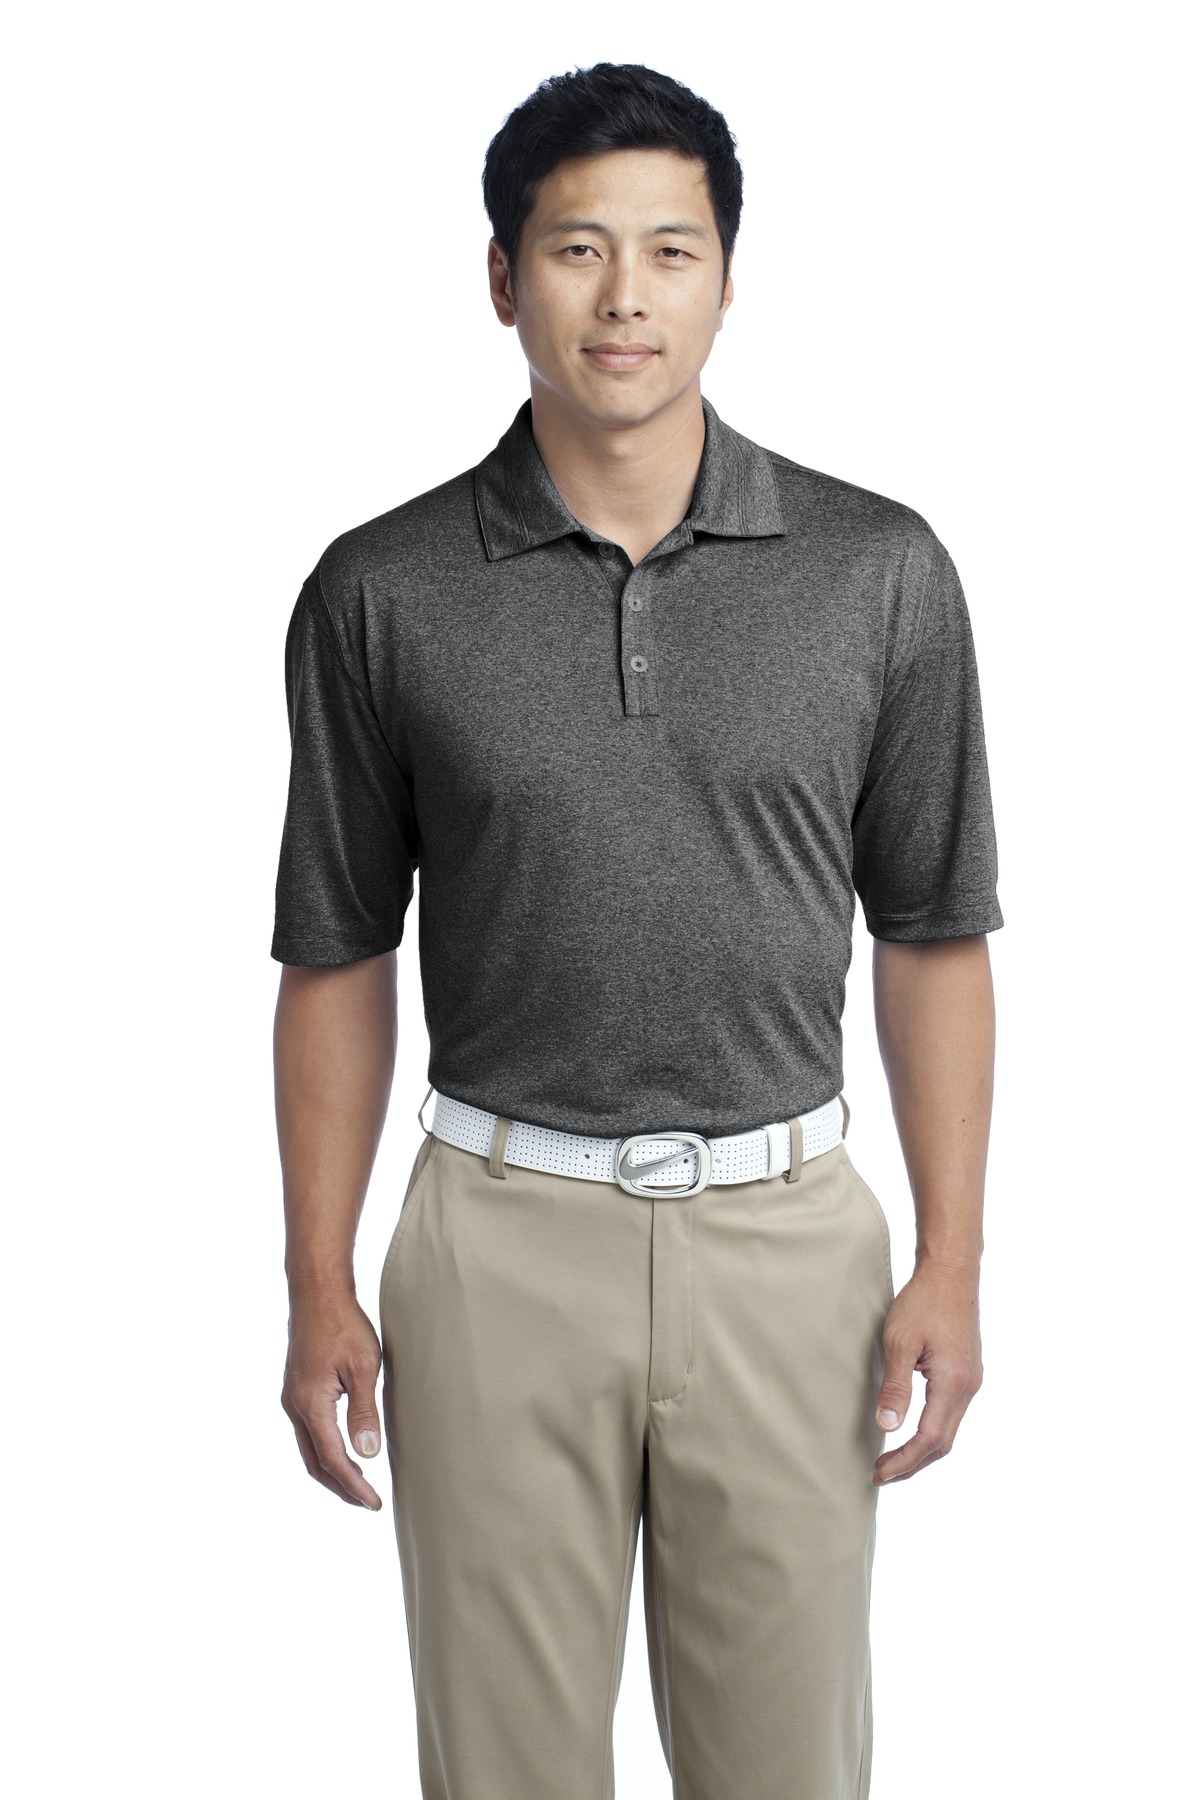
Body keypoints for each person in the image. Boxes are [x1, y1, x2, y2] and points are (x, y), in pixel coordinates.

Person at [272, 60, 1002, 1800]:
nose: (624, 296)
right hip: (495, 1243)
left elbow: (934, 934)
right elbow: (337, 953)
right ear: (502, 277)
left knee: (790, 1771)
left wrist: (953, 1264)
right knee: (503, 1775)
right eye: (576, 247)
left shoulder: (879, 572)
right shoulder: (380, 591)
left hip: (791, 1249)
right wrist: (316, 1285)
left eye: (671, 250)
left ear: (728, 281)